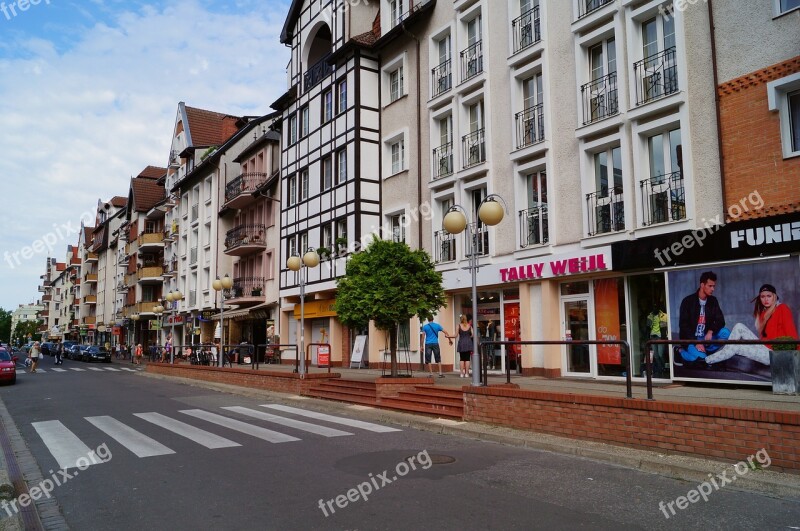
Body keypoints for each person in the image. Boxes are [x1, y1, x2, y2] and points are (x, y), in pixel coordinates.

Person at [706, 284, 799, 366]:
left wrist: (797, 358)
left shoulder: (783, 308)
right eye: (762, 297)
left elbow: (792, 335)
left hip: (774, 354)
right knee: (739, 326)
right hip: (763, 348)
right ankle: (715, 359)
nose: (766, 299)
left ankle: (707, 361)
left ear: (774, 296)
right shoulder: (764, 314)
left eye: (769, 296)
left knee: (736, 346)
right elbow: (764, 338)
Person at [678, 271, 728, 365]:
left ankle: (706, 350)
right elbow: (684, 326)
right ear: (702, 285)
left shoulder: (713, 301)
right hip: (692, 339)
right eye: (710, 286)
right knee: (702, 360)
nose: (713, 289)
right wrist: (696, 342)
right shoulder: (688, 301)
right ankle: (681, 352)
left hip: (706, 338)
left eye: (714, 286)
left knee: (726, 333)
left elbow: (721, 320)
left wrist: (710, 330)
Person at [645, 304, 668, 377]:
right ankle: (660, 368)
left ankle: (664, 367)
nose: (654, 308)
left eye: (656, 307)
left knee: (661, 354)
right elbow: (648, 328)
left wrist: (664, 337)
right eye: (653, 307)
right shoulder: (650, 316)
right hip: (652, 336)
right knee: (656, 355)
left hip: (660, 336)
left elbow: (665, 327)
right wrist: (647, 338)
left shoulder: (663, 316)